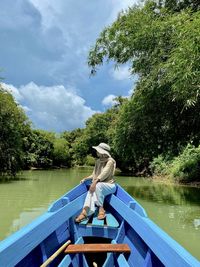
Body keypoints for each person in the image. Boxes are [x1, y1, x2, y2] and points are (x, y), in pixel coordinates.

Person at [75, 143, 116, 223]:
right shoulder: (98, 161)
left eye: (98, 151)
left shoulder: (110, 161)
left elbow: (105, 173)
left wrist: (95, 181)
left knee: (96, 186)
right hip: (99, 185)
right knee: (92, 190)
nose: (97, 152)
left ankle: (101, 208)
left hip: (109, 185)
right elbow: (94, 174)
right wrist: (86, 178)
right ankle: (84, 212)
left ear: (102, 152)